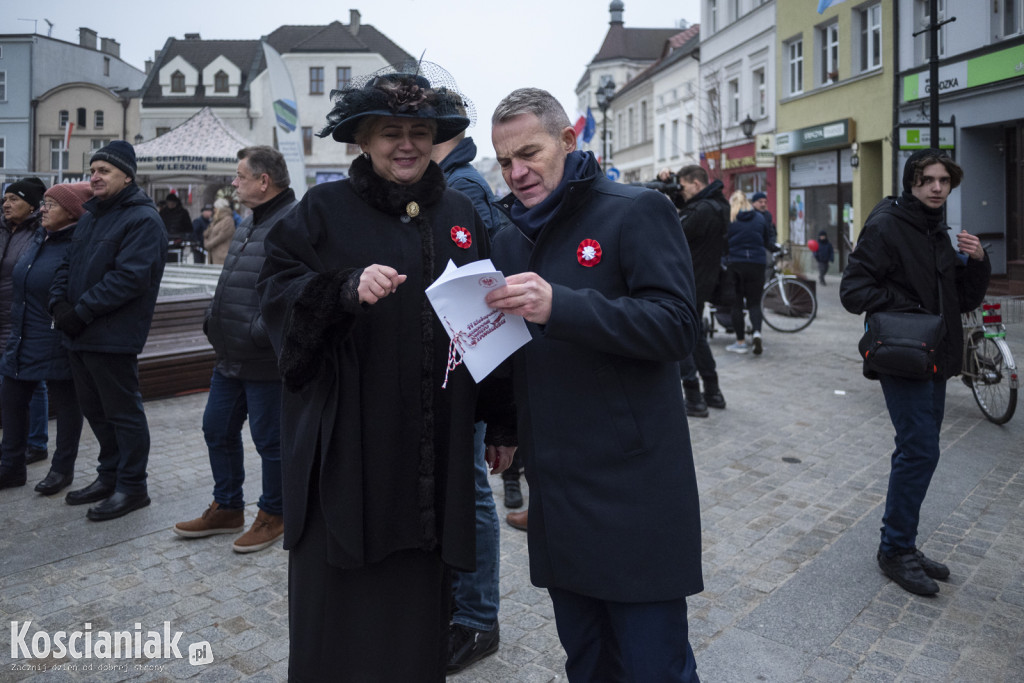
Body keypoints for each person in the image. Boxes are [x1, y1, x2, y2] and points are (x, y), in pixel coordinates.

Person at [256, 63, 516, 682]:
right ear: (365, 139)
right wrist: (340, 289)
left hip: (437, 441)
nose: (408, 144)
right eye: (391, 131)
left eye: (420, 131)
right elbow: (274, 293)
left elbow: (489, 318)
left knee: (419, 597)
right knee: (340, 592)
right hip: (349, 438)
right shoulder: (322, 209)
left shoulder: (460, 210)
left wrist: (502, 421)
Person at [485, 88, 703, 683]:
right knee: (587, 660)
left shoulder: (634, 210)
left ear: (567, 140)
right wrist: (504, 426)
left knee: (653, 664)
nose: (517, 173)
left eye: (529, 153)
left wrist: (563, 305)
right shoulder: (508, 237)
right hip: (557, 486)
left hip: (632, 482)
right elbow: (514, 350)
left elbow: (678, 327)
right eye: (504, 161)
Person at [840, 149, 989, 596]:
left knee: (920, 451)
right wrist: (913, 309)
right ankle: (894, 550)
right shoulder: (887, 225)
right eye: (927, 179)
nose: (937, 187)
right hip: (903, 355)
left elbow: (962, 300)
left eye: (944, 180)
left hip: (936, 357)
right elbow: (853, 291)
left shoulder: (936, 229)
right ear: (912, 182)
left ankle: (902, 542)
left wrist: (979, 261)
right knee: (919, 450)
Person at [173, 146, 297, 553]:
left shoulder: (292, 222)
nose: (234, 182)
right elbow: (231, 279)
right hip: (229, 356)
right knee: (216, 429)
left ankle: (274, 513)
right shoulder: (248, 220)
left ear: (264, 181)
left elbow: (293, 294)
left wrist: (256, 332)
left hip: (263, 360)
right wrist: (214, 318)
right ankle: (228, 507)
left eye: (240, 176)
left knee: (269, 442)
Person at [49, 140, 168, 521]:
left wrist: (79, 312)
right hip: (81, 333)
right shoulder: (91, 215)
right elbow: (65, 266)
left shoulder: (143, 219)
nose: (95, 177)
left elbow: (129, 279)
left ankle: (133, 487)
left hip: (113, 336)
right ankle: (110, 475)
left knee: (123, 413)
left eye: (104, 171)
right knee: (95, 410)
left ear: (127, 176)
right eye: (93, 170)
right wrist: (59, 305)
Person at [430, 107, 508, 673]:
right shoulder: (455, 179)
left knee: (473, 490)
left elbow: (477, 279)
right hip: (457, 360)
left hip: (465, 360)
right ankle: (465, 607)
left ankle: (478, 619)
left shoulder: (460, 185)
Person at [0, 183, 91, 494]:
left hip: (55, 336)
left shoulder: (77, 244)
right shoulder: (39, 238)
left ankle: (62, 469)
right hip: (22, 334)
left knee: (66, 404)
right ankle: (10, 466)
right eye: (44, 203)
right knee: (12, 399)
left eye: (51, 205)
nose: (43, 209)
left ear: (71, 212)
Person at [1, 178, 51, 467]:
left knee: (30, 379)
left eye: (14, 199)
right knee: (10, 383)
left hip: (22, 315)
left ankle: (36, 442)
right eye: (5, 199)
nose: (6, 204)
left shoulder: (39, 231)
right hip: (2, 314)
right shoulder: (2, 228)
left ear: (32, 205)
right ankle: (13, 443)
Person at [676, 165, 729, 417]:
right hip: (704, 281)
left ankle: (694, 397)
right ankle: (713, 392)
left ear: (696, 185)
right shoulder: (718, 205)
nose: (682, 192)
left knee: (682, 336)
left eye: (683, 187)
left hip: (689, 282)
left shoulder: (701, 210)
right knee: (696, 335)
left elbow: (673, 233)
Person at [724, 190, 773, 355]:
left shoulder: (730, 219)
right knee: (754, 303)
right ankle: (757, 334)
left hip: (735, 264)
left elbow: (722, 242)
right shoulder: (759, 218)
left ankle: (740, 342)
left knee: (736, 304)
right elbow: (767, 241)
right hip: (757, 263)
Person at [203, 198, 235, 265]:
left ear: (220, 208)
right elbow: (207, 233)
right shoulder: (216, 220)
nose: (214, 210)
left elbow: (221, 237)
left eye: (215, 208)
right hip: (213, 255)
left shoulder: (228, 220)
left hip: (222, 256)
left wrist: (208, 245)